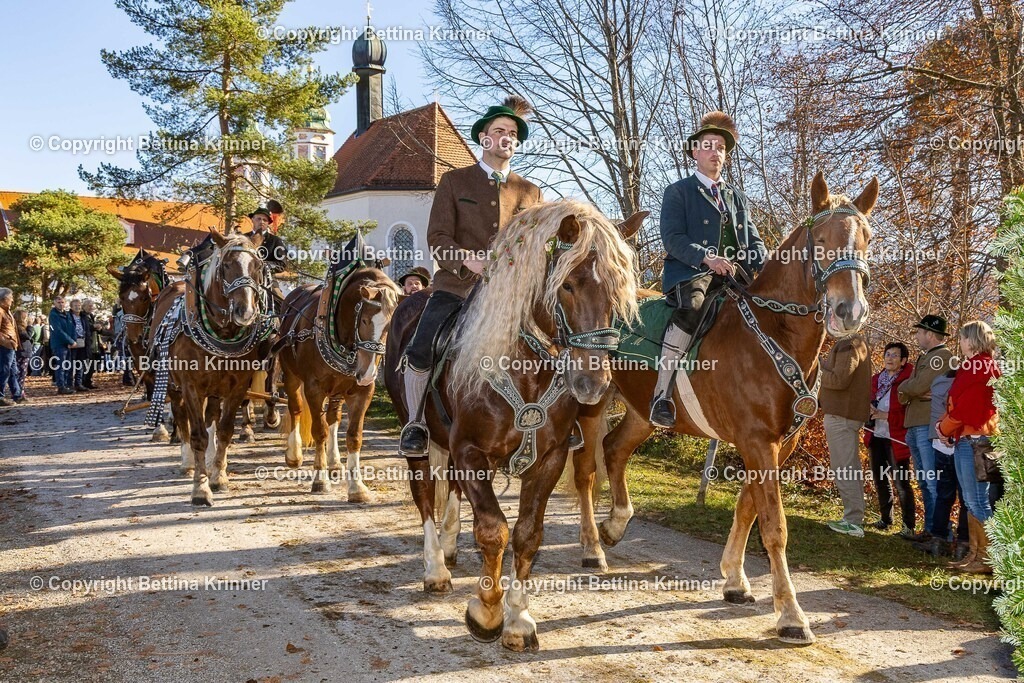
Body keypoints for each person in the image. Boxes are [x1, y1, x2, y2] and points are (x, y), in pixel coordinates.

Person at [399, 95, 543, 455]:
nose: (508, 137)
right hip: (458, 288)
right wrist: (467, 261)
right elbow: (437, 238)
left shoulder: (531, 191)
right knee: (421, 347)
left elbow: (537, 243)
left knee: (557, 342)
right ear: (484, 138)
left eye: (513, 133)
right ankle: (415, 422)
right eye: (500, 131)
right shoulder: (454, 181)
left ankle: (556, 420)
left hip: (512, 295)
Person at [650, 111, 767, 427]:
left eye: (720, 148)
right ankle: (661, 395)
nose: (715, 152)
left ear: (725, 157)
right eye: (708, 145)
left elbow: (753, 239)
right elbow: (673, 239)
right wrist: (708, 258)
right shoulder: (678, 192)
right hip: (692, 274)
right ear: (694, 152)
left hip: (735, 276)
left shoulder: (737, 197)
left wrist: (766, 266)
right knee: (693, 307)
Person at [938, 321, 1001, 574]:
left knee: (977, 500)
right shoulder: (973, 367)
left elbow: (968, 408)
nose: (960, 341)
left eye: (963, 337)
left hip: (976, 439)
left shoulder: (981, 367)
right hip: (968, 437)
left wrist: (943, 428)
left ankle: (986, 558)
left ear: (973, 340)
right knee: (972, 499)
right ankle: (976, 554)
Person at [896, 315, 955, 543]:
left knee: (932, 480)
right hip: (915, 422)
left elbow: (919, 385)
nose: (918, 336)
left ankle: (941, 532)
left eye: (919, 332)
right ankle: (931, 528)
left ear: (930, 334)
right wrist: (908, 390)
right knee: (923, 480)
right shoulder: (927, 356)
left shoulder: (942, 357)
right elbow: (907, 393)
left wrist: (904, 386)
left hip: (927, 424)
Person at [820, 332, 873, 537]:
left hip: (842, 416)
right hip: (843, 415)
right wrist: (823, 365)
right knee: (848, 467)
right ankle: (854, 518)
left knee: (844, 468)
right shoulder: (853, 342)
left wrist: (816, 371)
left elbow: (840, 380)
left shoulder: (848, 344)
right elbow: (839, 375)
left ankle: (853, 522)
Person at [864, 342, 916, 535]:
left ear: (903, 361)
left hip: (897, 439)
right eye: (887, 354)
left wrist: (885, 415)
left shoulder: (908, 382)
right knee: (880, 479)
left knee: (901, 482)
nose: (890, 358)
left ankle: (908, 526)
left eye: (895, 355)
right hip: (876, 435)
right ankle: (886, 519)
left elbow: (910, 413)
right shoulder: (876, 380)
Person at [0, 288, 24, 406]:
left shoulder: (6, 311)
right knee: (4, 371)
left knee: (13, 371)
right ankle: (0, 396)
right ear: (4, 299)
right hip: (5, 346)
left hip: (11, 346)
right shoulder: (0, 311)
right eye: (10, 298)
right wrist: (5, 341)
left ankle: (17, 395)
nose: (12, 300)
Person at [48, 296, 77, 395]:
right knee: (61, 366)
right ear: (55, 303)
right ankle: (61, 386)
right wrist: (70, 341)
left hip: (68, 344)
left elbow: (73, 328)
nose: (61, 304)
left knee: (68, 366)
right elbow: (57, 330)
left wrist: (73, 340)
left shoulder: (67, 314)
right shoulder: (53, 315)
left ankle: (67, 385)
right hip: (59, 344)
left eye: (62, 302)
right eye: (58, 302)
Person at [81, 299, 100, 389]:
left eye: (92, 306)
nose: (91, 308)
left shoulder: (91, 316)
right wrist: (94, 327)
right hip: (87, 343)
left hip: (94, 342)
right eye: (89, 306)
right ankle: (84, 381)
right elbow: (85, 327)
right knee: (87, 364)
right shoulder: (83, 315)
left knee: (94, 363)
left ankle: (88, 381)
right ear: (84, 307)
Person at [14, 309, 32, 399]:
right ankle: (19, 393)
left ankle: (20, 392)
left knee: (22, 373)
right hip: (22, 352)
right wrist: (29, 326)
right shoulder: (20, 328)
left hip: (23, 352)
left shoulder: (19, 327)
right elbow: (28, 336)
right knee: (21, 373)